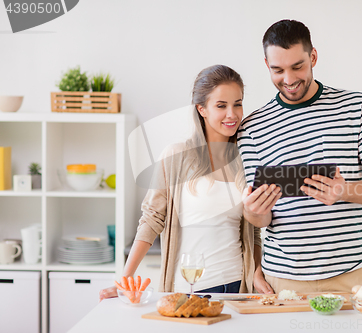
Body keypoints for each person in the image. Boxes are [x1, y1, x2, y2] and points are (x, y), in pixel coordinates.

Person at [239, 19, 362, 294]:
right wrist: (254, 212)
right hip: (282, 282)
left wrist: (345, 190)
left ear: (313, 56)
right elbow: (262, 220)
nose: (288, 80)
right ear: (266, 65)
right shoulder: (252, 128)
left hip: (350, 278)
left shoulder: (355, 107)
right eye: (277, 70)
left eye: (297, 66)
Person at [100, 65, 269, 300]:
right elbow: (152, 219)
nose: (232, 114)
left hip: (238, 288)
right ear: (202, 109)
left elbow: (254, 232)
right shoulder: (176, 156)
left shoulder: (246, 160)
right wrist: (124, 280)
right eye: (221, 106)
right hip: (190, 288)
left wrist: (256, 272)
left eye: (237, 104)